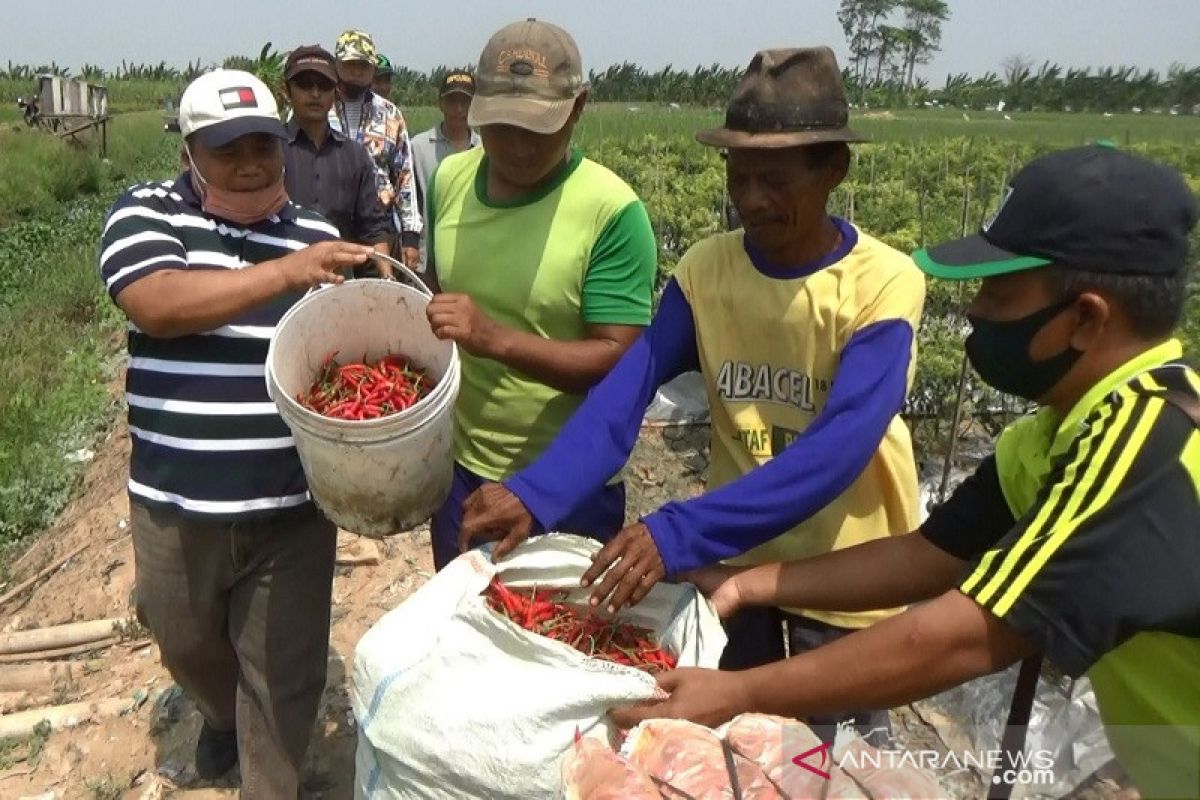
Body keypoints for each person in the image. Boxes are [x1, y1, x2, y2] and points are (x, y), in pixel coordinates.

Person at [611, 145, 1200, 800]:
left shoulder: (1145, 447)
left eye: (1000, 294)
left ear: (1086, 317)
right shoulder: (1057, 433)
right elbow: (928, 556)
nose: (975, 311)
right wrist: (748, 584)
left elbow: (967, 635)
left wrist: (738, 691)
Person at [458, 47, 925, 736]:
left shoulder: (882, 283)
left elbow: (837, 452)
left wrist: (678, 530)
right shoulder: (708, 270)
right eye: (739, 177)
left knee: (830, 759)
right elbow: (627, 390)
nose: (752, 200)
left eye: (774, 180)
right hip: (737, 573)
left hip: (846, 579)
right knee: (737, 750)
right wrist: (538, 491)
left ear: (834, 170)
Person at [98, 69, 374, 797]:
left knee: (283, 674)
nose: (251, 162)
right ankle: (219, 711)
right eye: (229, 149)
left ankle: (270, 776)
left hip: (289, 503)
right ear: (191, 152)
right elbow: (158, 302)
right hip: (175, 500)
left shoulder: (314, 233)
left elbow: (345, 349)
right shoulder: (146, 216)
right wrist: (287, 274)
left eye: (264, 145)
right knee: (182, 637)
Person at [423, 18, 657, 572]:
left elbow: (618, 361)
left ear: (577, 108)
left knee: (556, 645)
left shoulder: (611, 212)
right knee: (463, 634)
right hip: (462, 469)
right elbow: (439, 292)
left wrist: (494, 339)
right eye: (501, 126)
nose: (519, 146)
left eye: (539, 127)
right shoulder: (451, 179)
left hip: (571, 483)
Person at [282, 45, 391, 262]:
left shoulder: (355, 155)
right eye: (304, 84)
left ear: (336, 91)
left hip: (340, 280)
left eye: (323, 85)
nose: (315, 93)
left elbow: (373, 228)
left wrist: (387, 281)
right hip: (281, 279)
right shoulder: (270, 150)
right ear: (286, 91)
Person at [331, 29, 421, 268]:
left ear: (372, 69)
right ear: (337, 65)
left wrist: (411, 235)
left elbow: (405, 177)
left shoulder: (389, 114)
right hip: (330, 232)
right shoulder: (318, 108)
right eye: (350, 64)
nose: (357, 72)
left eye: (364, 65)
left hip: (380, 232)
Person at [410, 69, 480, 271]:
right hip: (427, 260)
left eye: (465, 102)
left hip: (470, 258)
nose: (458, 109)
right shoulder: (418, 147)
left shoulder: (485, 150)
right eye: (451, 101)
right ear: (440, 103)